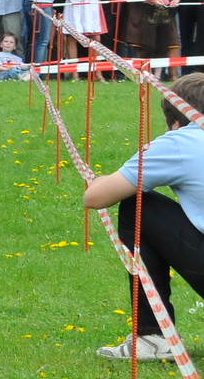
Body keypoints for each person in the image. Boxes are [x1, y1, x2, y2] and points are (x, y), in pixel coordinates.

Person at [81, 73, 204, 359]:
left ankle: (153, 335)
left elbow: (95, 197)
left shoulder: (179, 141)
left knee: (137, 206)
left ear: (175, 120)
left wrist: (100, 180)